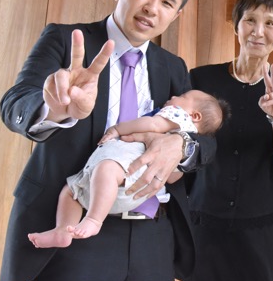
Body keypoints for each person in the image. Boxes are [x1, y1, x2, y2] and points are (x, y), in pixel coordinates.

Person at [0, 0, 216, 281]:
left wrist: (180, 144)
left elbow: (206, 140)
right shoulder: (67, 40)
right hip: (75, 229)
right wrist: (59, 109)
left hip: (153, 236)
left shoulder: (173, 67)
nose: (152, 8)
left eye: (167, 2)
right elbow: (14, 104)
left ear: (175, 15)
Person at [185, 0, 273, 281]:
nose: (258, 31)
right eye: (250, 20)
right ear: (237, 25)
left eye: (270, 23)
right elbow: (184, 143)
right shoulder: (201, 79)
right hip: (207, 217)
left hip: (266, 222)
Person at [28, 90, 229, 248]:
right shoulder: (182, 145)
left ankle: (93, 220)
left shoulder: (177, 117)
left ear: (194, 115)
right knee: (73, 190)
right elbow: (172, 178)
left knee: (93, 178)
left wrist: (117, 129)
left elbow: (150, 123)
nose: (174, 96)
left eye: (183, 96)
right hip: (136, 193)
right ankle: (63, 231)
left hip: (127, 166)